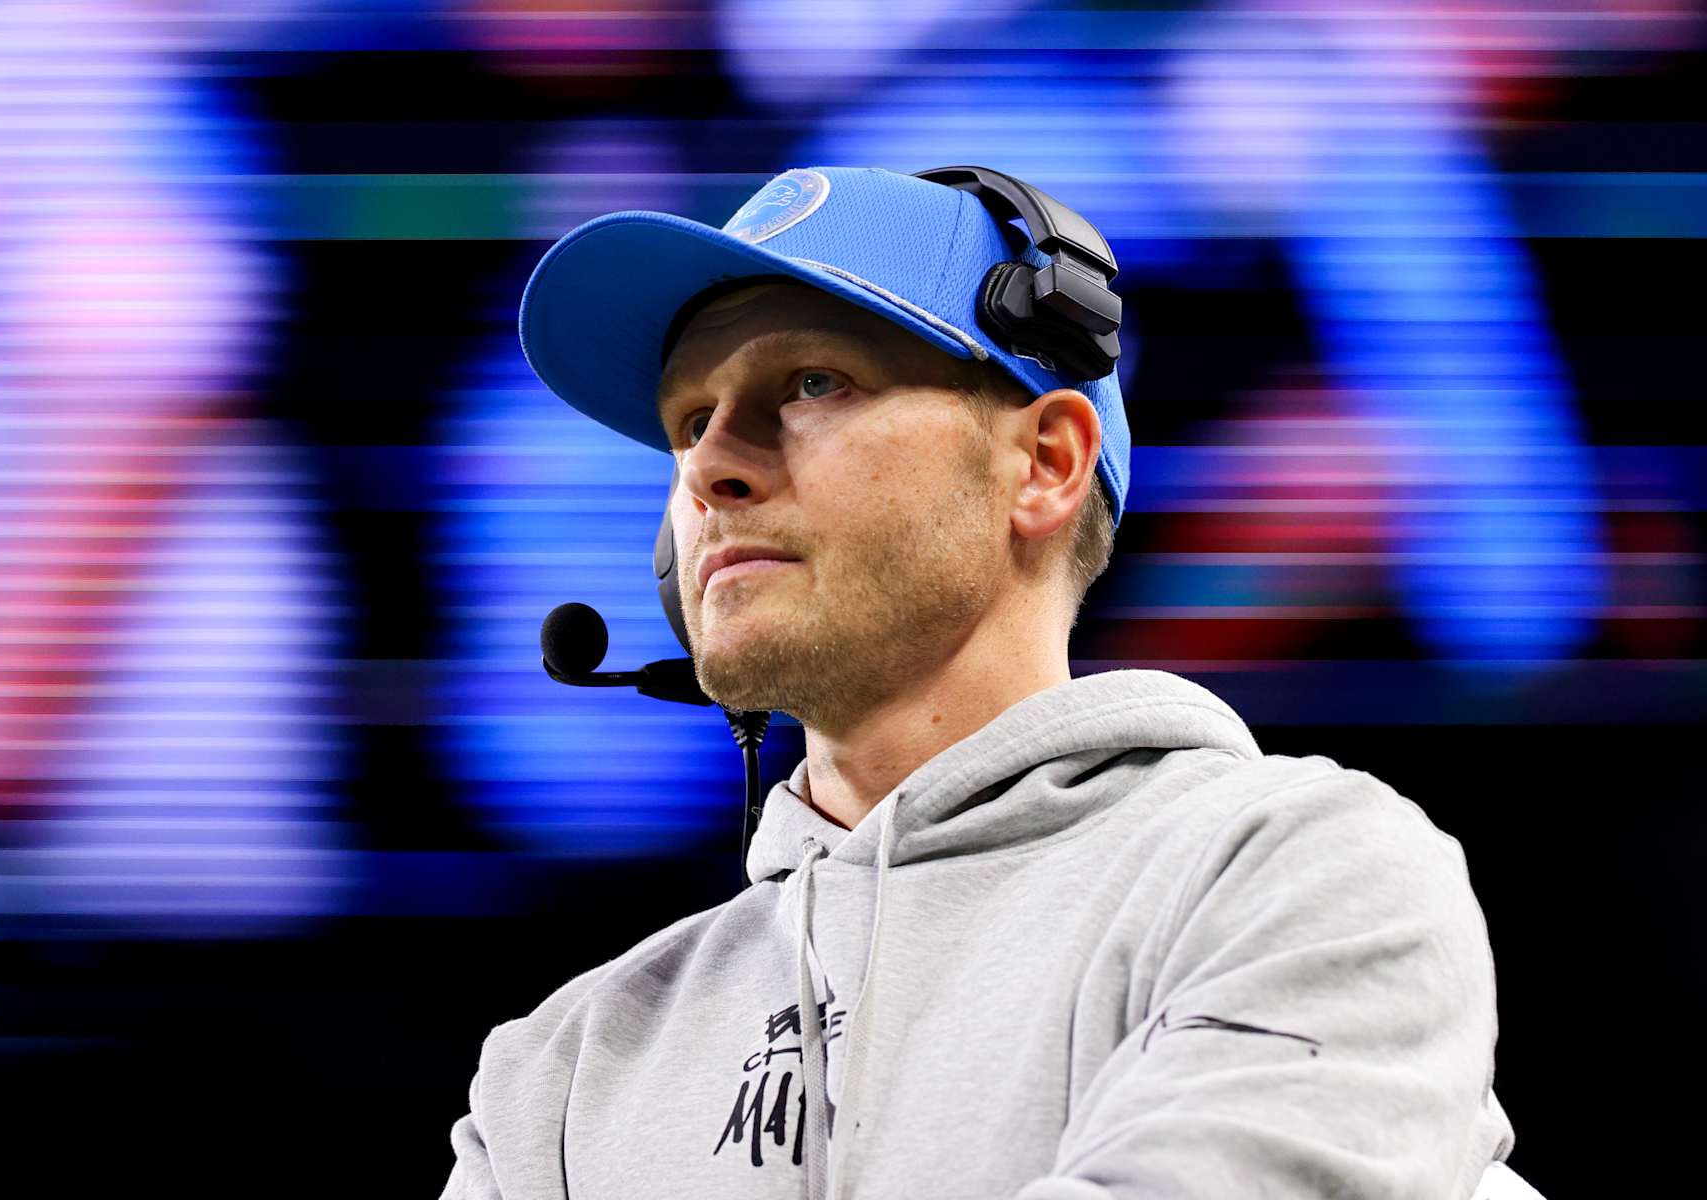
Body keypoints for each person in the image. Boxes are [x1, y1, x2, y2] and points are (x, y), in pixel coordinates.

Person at [440, 166, 1540, 1199]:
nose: (708, 467)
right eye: (689, 420)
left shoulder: (1295, 876)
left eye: (813, 383)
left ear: (1046, 464)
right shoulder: (559, 1076)